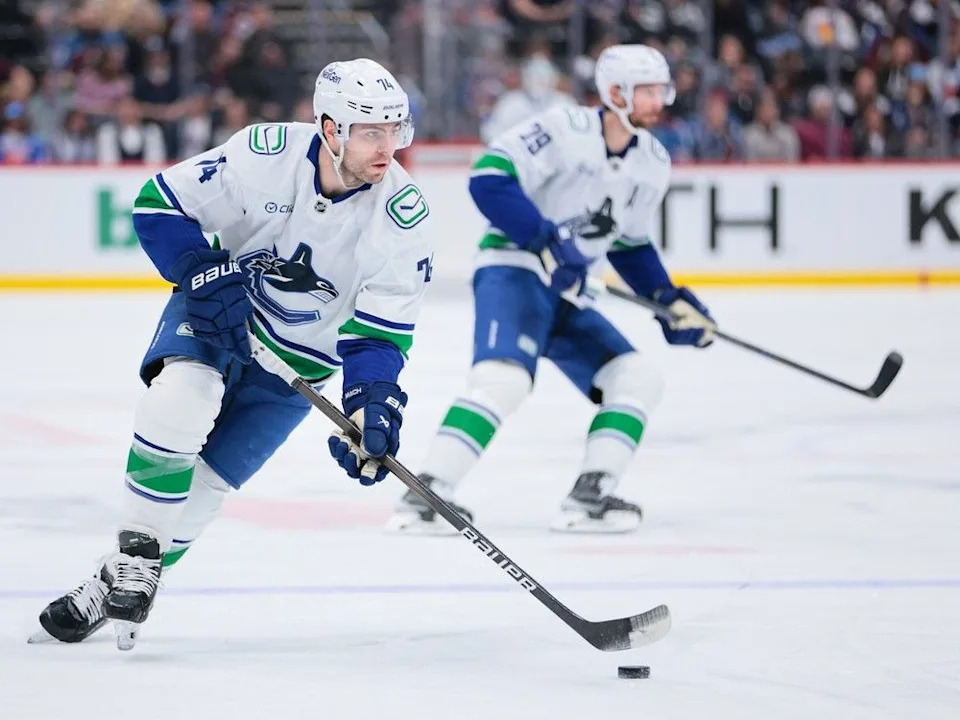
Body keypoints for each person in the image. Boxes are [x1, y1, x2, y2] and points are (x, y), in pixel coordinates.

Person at [30, 59, 430, 649]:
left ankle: (114, 580)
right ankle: (139, 552)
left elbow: (380, 334)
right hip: (219, 316)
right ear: (329, 129)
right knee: (181, 398)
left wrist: (372, 406)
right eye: (372, 131)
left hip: (301, 365)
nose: (387, 147)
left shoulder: (403, 215)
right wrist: (199, 270)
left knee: (208, 485)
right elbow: (158, 203)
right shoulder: (265, 154)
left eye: (397, 130)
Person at [387, 45, 715, 535]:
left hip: (568, 289)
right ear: (616, 92)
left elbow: (630, 245)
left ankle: (590, 495)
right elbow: (489, 179)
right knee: (505, 379)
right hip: (513, 269)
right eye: (647, 90)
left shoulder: (652, 160)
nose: (658, 100)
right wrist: (543, 239)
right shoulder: (564, 129)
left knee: (638, 379)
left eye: (659, 90)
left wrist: (667, 299)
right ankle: (425, 493)